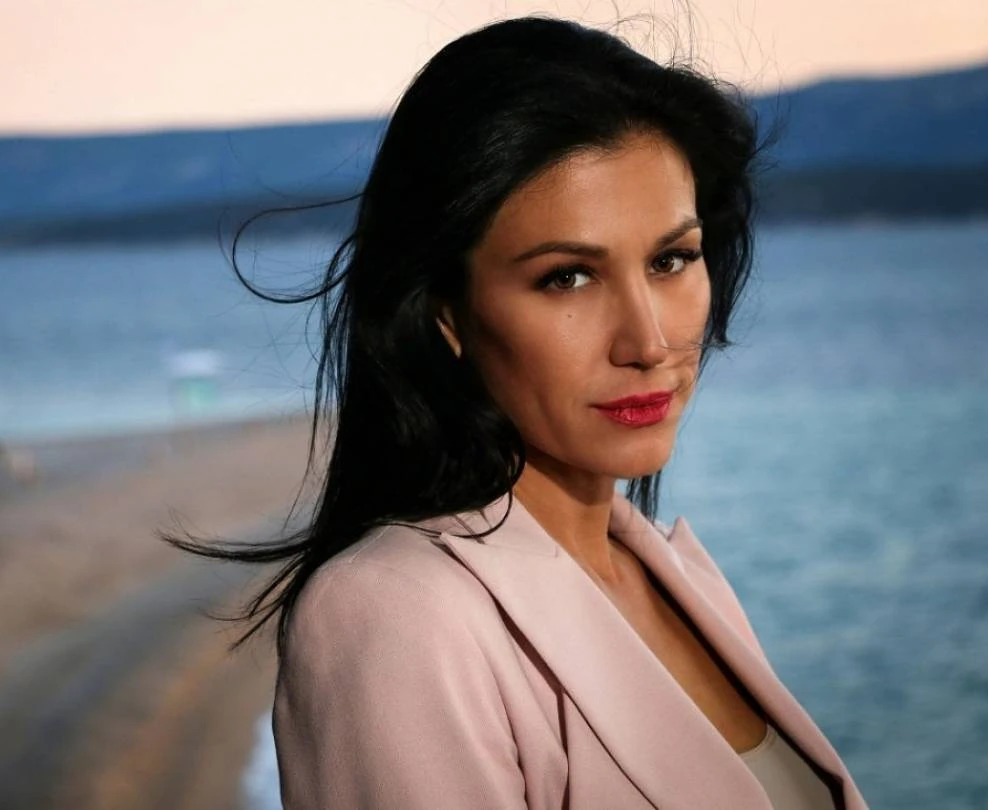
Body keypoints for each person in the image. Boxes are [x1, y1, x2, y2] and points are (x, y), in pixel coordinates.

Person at [163, 15, 870, 810]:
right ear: (447, 312)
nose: (649, 341)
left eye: (671, 260)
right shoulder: (396, 615)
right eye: (568, 277)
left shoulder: (681, 577)